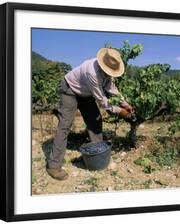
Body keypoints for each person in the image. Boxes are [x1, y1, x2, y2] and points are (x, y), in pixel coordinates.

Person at [46, 48, 134, 180]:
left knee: (95, 120)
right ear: (103, 65)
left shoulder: (106, 71)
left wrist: (125, 104)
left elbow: (111, 89)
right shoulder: (91, 72)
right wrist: (120, 111)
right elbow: (102, 101)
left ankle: (96, 154)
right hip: (70, 90)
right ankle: (53, 166)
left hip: (85, 93)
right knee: (65, 126)